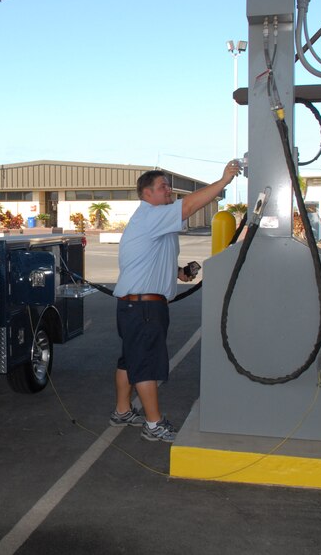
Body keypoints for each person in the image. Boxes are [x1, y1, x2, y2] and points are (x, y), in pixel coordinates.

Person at [109, 163, 241, 442]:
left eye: (168, 185)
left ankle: (122, 411)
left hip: (136, 305)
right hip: (143, 307)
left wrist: (180, 272)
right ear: (146, 194)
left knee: (130, 360)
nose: (169, 190)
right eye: (162, 187)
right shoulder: (151, 216)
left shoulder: (154, 221)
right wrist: (223, 181)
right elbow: (190, 206)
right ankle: (154, 424)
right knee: (146, 363)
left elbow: (151, 260)